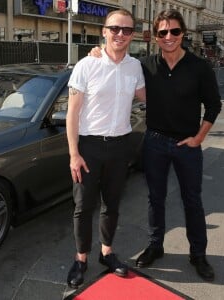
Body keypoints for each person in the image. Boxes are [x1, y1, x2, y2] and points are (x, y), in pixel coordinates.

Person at [89, 9, 222, 282]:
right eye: (163, 32)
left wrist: (199, 138)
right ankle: (155, 246)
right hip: (155, 142)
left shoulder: (199, 67)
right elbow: (118, 62)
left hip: (188, 145)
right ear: (156, 37)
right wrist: (97, 52)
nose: (169, 37)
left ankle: (198, 255)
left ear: (183, 33)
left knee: (192, 201)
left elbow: (214, 105)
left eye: (174, 31)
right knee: (155, 199)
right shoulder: (145, 65)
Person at [66, 8, 146, 289]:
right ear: (104, 31)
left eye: (126, 30)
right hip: (89, 147)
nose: (120, 34)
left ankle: (106, 254)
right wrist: (74, 154)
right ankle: (80, 259)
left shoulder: (135, 67)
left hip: (121, 145)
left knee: (112, 205)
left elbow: (150, 95)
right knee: (83, 207)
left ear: (133, 35)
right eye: (115, 28)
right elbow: (72, 114)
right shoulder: (86, 65)